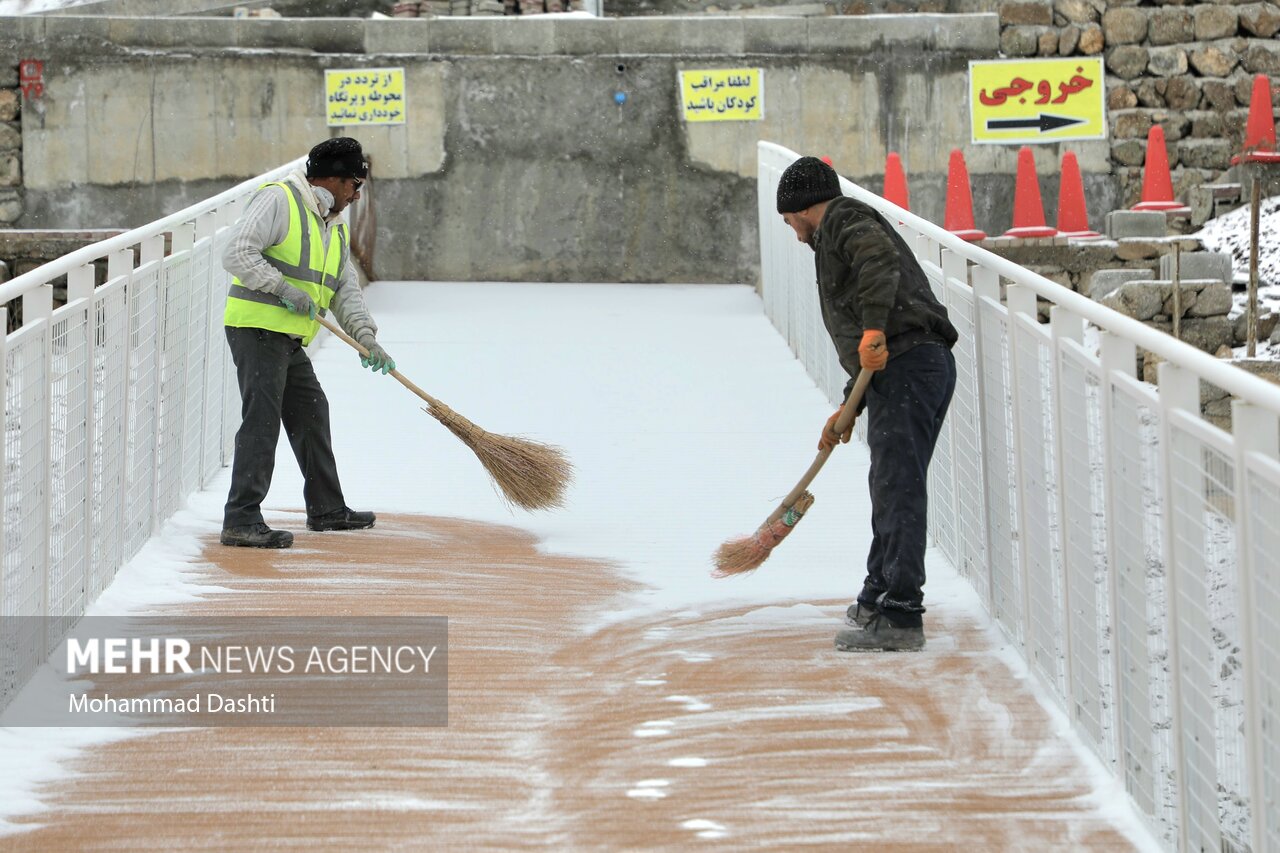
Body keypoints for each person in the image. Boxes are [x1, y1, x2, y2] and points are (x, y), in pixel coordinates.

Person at [776, 156, 958, 652]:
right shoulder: (837, 229)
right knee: (889, 481)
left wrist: (876, 327)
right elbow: (867, 349)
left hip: (909, 364)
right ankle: (879, 594)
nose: (793, 234)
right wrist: (847, 410)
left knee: (897, 485)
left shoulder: (843, 220)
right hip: (903, 368)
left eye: (789, 220)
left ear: (803, 208)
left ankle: (900, 614)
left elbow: (878, 260)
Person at [219, 136, 395, 549]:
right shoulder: (280, 200)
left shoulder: (332, 226)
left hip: (288, 336)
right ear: (331, 180)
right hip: (257, 328)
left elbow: (343, 289)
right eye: (354, 184)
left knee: (312, 411)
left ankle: (327, 510)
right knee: (261, 420)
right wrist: (281, 288)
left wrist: (367, 338)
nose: (356, 195)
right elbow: (237, 253)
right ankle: (241, 518)